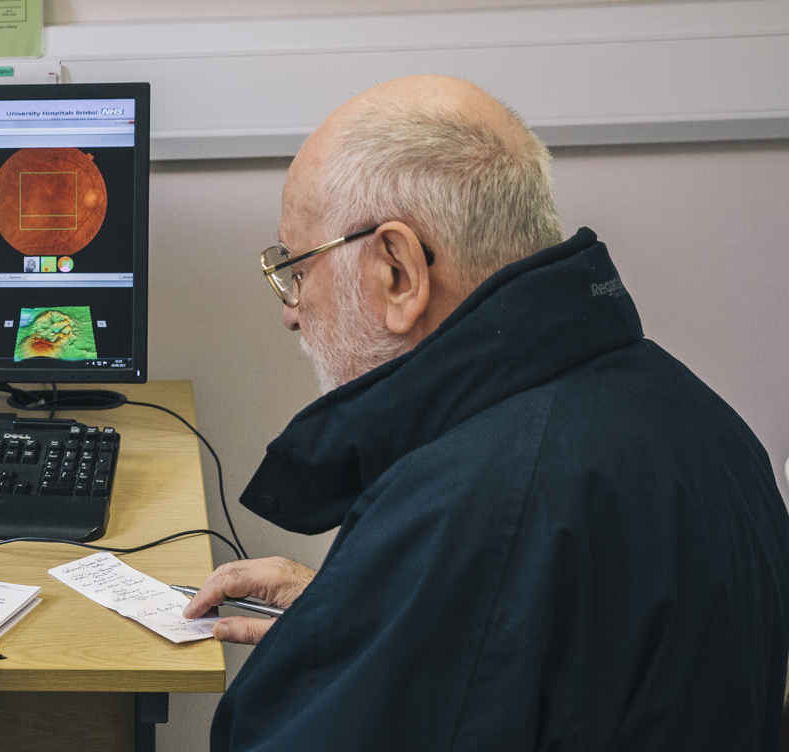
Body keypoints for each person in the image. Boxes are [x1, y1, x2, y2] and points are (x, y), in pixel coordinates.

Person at [184, 75, 789, 749]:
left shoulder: (468, 505)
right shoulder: (697, 416)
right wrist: (367, 608)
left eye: (298, 270)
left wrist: (406, 595)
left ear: (398, 271)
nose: (293, 312)